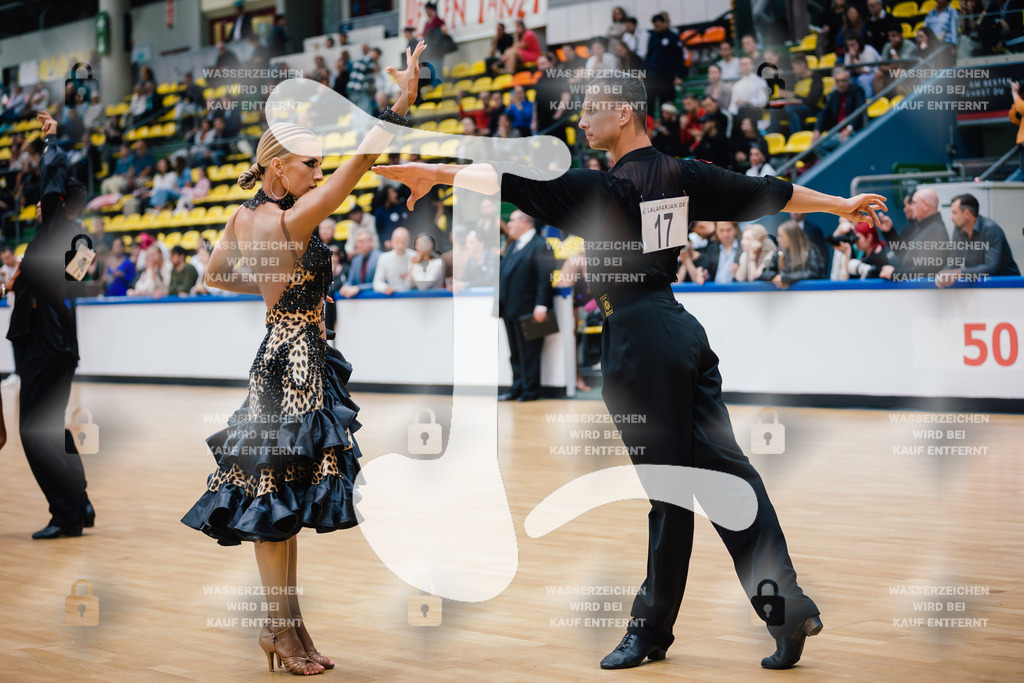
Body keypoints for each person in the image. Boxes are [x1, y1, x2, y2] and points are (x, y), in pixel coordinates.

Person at [373, 74, 887, 670]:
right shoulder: (685, 175)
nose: (582, 122)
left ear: (623, 114)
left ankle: (650, 633)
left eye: (592, 113)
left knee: (672, 494)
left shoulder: (603, 189)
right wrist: (840, 205)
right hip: (680, 331)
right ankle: (786, 606)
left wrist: (434, 174)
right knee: (730, 476)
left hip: (639, 345)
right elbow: (768, 192)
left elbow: (508, 178)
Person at [182, 41, 425, 676]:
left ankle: (287, 629)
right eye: (309, 165)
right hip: (296, 362)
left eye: (319, 165)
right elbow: (363, 161)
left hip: (278, 352)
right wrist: (401, 100)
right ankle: (280, 632)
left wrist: (269, 289)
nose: (318, 174)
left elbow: (213, 276)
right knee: (274, 500)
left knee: (280, 500)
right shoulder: (295, 222)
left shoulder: (243, 218)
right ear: (280, 167)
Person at [7, 112, 95, 539]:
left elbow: (52, 181)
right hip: (57, 344)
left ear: (58, 205)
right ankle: (79, 501)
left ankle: (67, 514)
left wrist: (51, 143)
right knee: (50, 425)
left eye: (48, 201)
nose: (40, 204)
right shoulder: (82, 242)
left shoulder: (57, 233)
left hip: (46, 344)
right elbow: (69, 284)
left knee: (33, 432)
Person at [936, 193, 1020, 287]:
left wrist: (959, 273)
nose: (951, 217)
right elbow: (953, 262)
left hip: (1009, 287)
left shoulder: (990, 229)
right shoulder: (958, 231)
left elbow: (990, 267)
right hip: (980, 287)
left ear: (967, 214)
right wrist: (943, 274)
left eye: (954, 213)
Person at [813, 67, 867, 157]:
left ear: (849, 80)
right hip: (837, 132)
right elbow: (824, 113)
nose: (840, 84)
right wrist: (817, 130)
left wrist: (850, 128)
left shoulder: (856, 90)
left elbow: (860, 109)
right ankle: (831, 165)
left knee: (845, 144)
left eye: (843, 80)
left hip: (853, 131)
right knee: (816, 145)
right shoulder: (834, 95)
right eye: (837, 81)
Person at [761, 220, 827, 288]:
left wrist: (784, 278)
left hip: (809, 293)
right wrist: (774, 277)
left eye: (781, 236)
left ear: (791, 238)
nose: (777, 239)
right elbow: (765, 272)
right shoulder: (779, 252)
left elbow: (813, 273)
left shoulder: (810, 251)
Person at [829, 221, 899, 280]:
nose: (856, 242)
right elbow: (831, 241)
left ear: (869, 237)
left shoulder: (878, 258)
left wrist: (847, 252)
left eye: (858, 238)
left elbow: (850, 280)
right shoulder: (868, 254)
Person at [645, 13, 685, 112]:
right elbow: (648, 56)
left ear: (664, 23)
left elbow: (679, 58)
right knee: (649, 102)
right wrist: (642, 71)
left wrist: (679, 75)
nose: (656, 28)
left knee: (666, 105)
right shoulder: (652, 37)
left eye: (658, 25)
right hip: (653, 75)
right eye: (654, 26)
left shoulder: (673, 37)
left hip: (667, 76)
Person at [372, 226, 412, 294]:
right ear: (392, 241)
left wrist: (412, 274)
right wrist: (385, 288)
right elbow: (377, 283)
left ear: (408, 241)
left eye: (403, 242)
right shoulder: (384, 258)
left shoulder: (415, 256)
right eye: (397, 242)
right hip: (392, 299)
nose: (400, 246)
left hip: (413, 297)